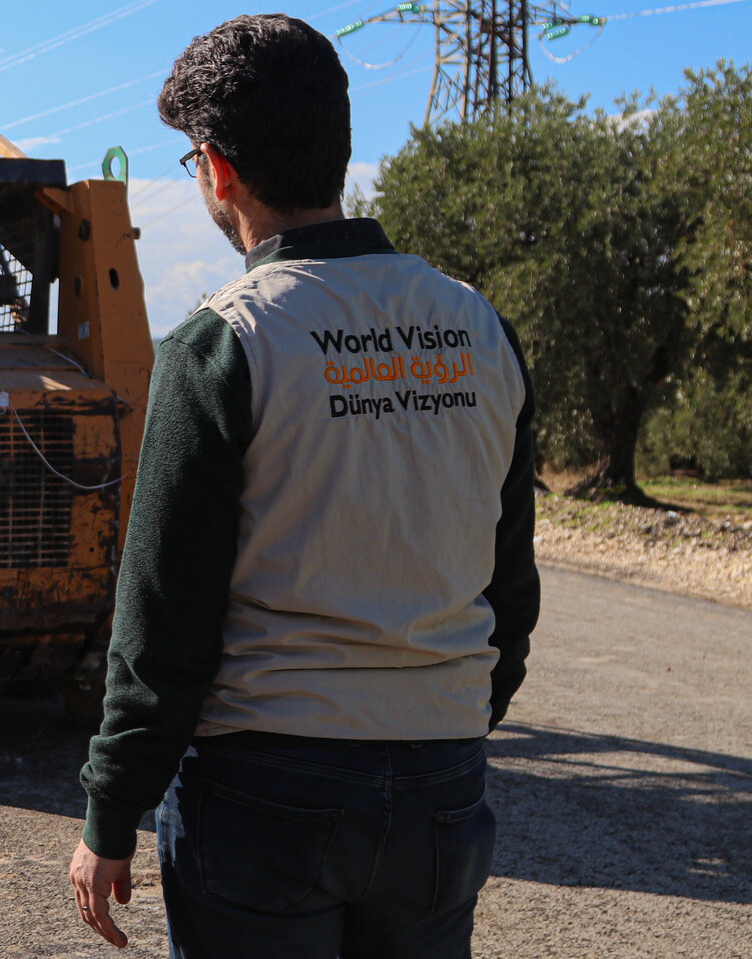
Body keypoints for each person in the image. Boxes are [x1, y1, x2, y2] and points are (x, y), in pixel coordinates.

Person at [69, 14, 539, 957]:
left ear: (215, 169)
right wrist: (448, 724)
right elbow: (509, 581)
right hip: (443, 786)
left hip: (264, 793)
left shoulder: (225, 342)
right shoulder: (477, 324)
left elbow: (162, 617)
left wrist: (109, 812)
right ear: (337, 144)